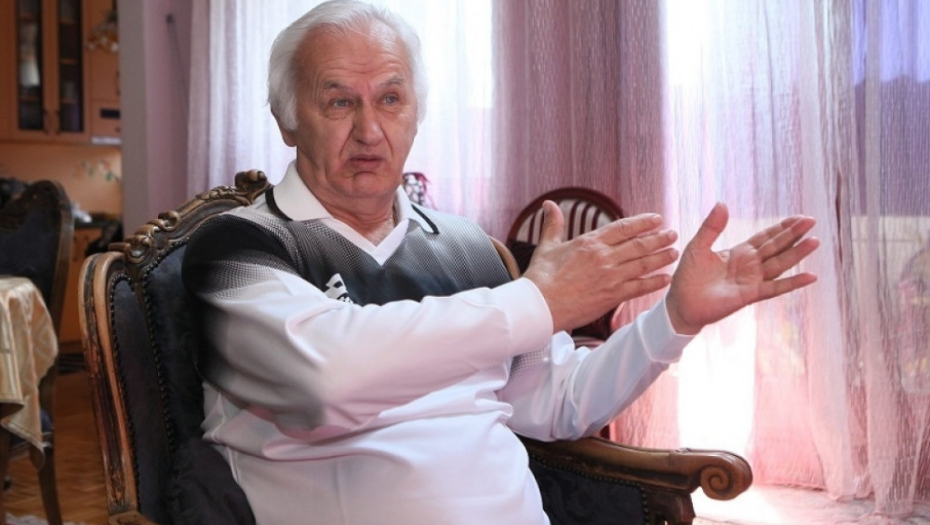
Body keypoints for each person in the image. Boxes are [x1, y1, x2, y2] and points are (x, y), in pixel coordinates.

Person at [182, 1, 820, 523]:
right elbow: (326, 379)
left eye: (391, 99)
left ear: (417, 113)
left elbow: (558, 401)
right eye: (340, 102)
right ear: (288, 119)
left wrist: (674, 320)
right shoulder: (239, 246)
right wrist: (536, 302)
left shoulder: (465, 245)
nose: (370, 131)